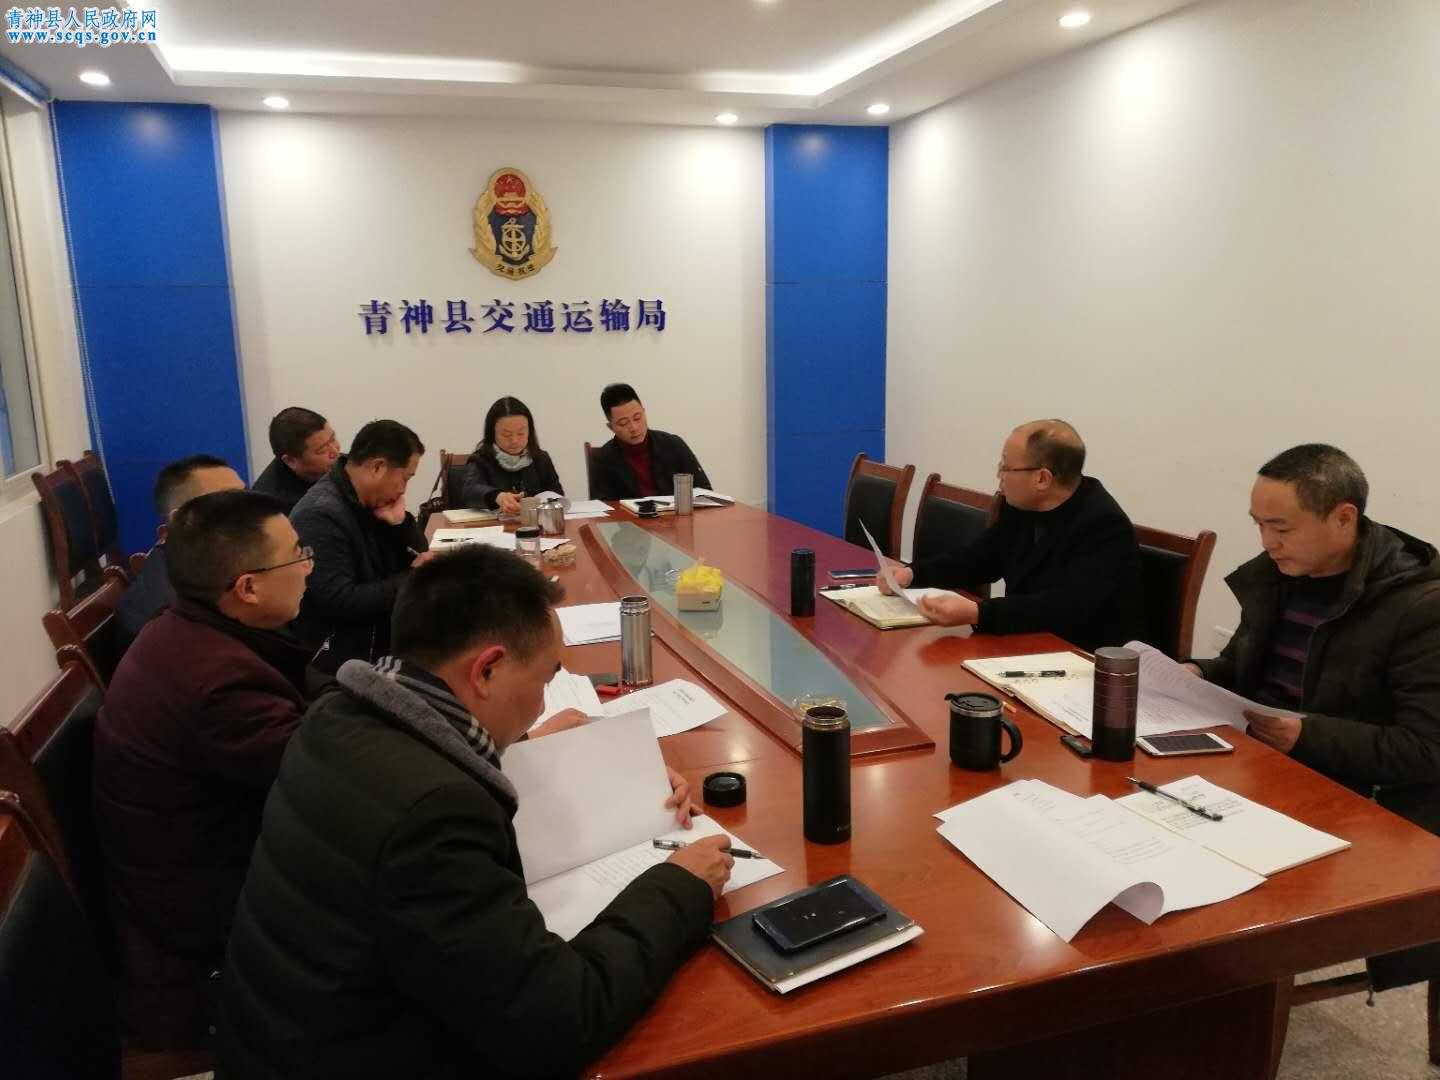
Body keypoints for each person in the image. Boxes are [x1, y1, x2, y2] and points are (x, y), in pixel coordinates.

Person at [216, 545, 732, 1078]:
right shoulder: (432, 816)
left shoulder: (338, 715)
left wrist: (534, 747)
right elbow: (560, 1019)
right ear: (486, 670)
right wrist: (679, 884)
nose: (542, 701)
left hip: (280, 1038)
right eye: (545, 680)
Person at [1187, 443, 1440, 990]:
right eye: (1258, 525)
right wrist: (1199, 673)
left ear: (1343, 517)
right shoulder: (1282, 575)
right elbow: (1244, 669)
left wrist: (1306, 735)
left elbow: (1427, 750)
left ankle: (1227, 991)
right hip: (1269, 762)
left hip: (1361, 799)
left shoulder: (1421, 606)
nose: (1266, 542)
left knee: (1204, 872)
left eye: (1281, 527)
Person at [95, 490, 315, 1049]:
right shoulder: (220, 683)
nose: (308, 567)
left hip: (188, 885)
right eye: (298, 555)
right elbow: (325, 780)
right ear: (248, 588)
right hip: (203, 942)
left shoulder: (188, 630)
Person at [883, 419, 1143, 652]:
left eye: (1006, 467)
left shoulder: (1104, 526)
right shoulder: (1024, 506)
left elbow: (1064, 607)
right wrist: (912, 573)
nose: (999, 475)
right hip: (1024, 644)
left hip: (1079, 661)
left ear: (1042, 479)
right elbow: (979, 559)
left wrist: (979, 613)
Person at [290, 419, 434, 670]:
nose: (403, 490)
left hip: (380, 640)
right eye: (405, 478)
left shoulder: (368, 499)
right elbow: (341, 601)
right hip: (344, 661)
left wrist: (400, 524)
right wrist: (413, 578)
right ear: (377, 467)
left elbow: (419, 555)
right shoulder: (320, 515)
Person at [114, 454, 245, 645]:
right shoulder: (171, 611)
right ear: (182, 519)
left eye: (245, 496)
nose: (249, 510)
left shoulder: (204, 563)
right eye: (227, 501)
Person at [589, 382, 711, 500]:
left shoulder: (673, 444)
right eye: (623, 423)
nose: (634, 428)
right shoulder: (603, 459)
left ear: (644, 412)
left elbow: (704, 491)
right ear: (611, 427)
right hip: (628, 515)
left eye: (637, 418)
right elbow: (602, 505)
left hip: (674, 513)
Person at [461, 395, 564, 515]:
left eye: (521, 433)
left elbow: (557, 494)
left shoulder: (541, 458)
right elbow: (469, 491)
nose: (514, 440)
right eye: (506, 435)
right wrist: (497, 497)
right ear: (492, 434)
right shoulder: (480, 459)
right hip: (496, 524)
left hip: (536, 523)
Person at [251, 406, 341, 512]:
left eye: (332, 439)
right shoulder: (269, 507)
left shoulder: (341, 464)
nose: (336, 452)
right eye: (322, 450)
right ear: (290, 461)